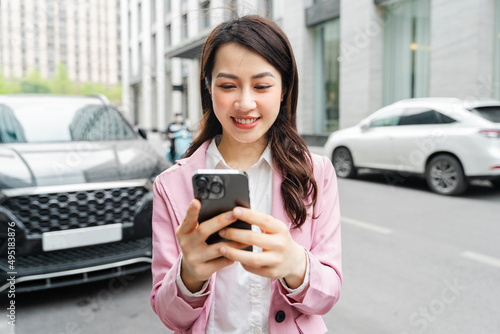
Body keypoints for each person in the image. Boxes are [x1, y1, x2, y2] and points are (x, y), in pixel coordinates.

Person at [150, 15, 342, 334]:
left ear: (283, 89)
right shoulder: (171, 185)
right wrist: (189, 275)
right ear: (208, 88)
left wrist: (296, 265)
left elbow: (327, 296)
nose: (245, 103)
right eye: (227, 85)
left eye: (262, 86)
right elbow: (170, 316)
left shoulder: (316, 173)